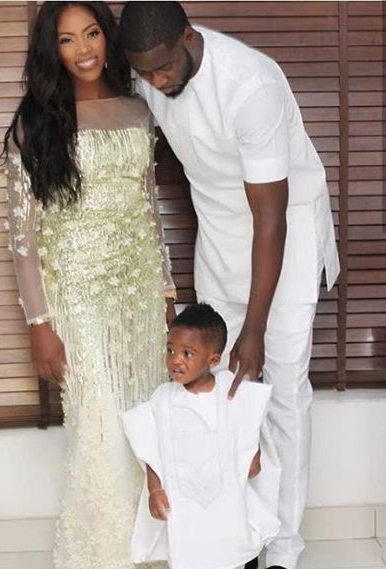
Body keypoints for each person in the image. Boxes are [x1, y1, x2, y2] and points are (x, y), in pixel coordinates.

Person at [118, 3, 340, 569]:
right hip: (218, 234)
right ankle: (233, 537)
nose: (156, 82)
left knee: (282, 394)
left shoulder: (250, 86)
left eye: (164, 68)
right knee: (218, 391)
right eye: (145, 73)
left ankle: (283, 548)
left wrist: (254, 330)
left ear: (190, 39)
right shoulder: (148, 73)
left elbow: (271, 217)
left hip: (282, 238)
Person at [3, 2, 176, 568]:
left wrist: (167, 292)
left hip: (139, 292)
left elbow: (149, 209)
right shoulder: (34, 124)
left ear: (108, 37)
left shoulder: (138, 111)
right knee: (99, 429)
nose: (84, 49)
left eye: (93, 33)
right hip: (76, 297)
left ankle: (147, 553)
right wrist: (39, 324)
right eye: (68, 39)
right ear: (51, 50)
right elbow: (23, 238)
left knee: (145, 422)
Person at [122, 303, 282, 569]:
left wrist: (251, 455)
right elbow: (152, 448)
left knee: (232, 547)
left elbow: (248, 426)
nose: (175, 359)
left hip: (227, 498)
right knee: (191, 552)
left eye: (187, 353)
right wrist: (155, 488)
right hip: (183, 502)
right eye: (170, 350)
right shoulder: (163, 399)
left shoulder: (229, 393)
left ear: (213, 360)